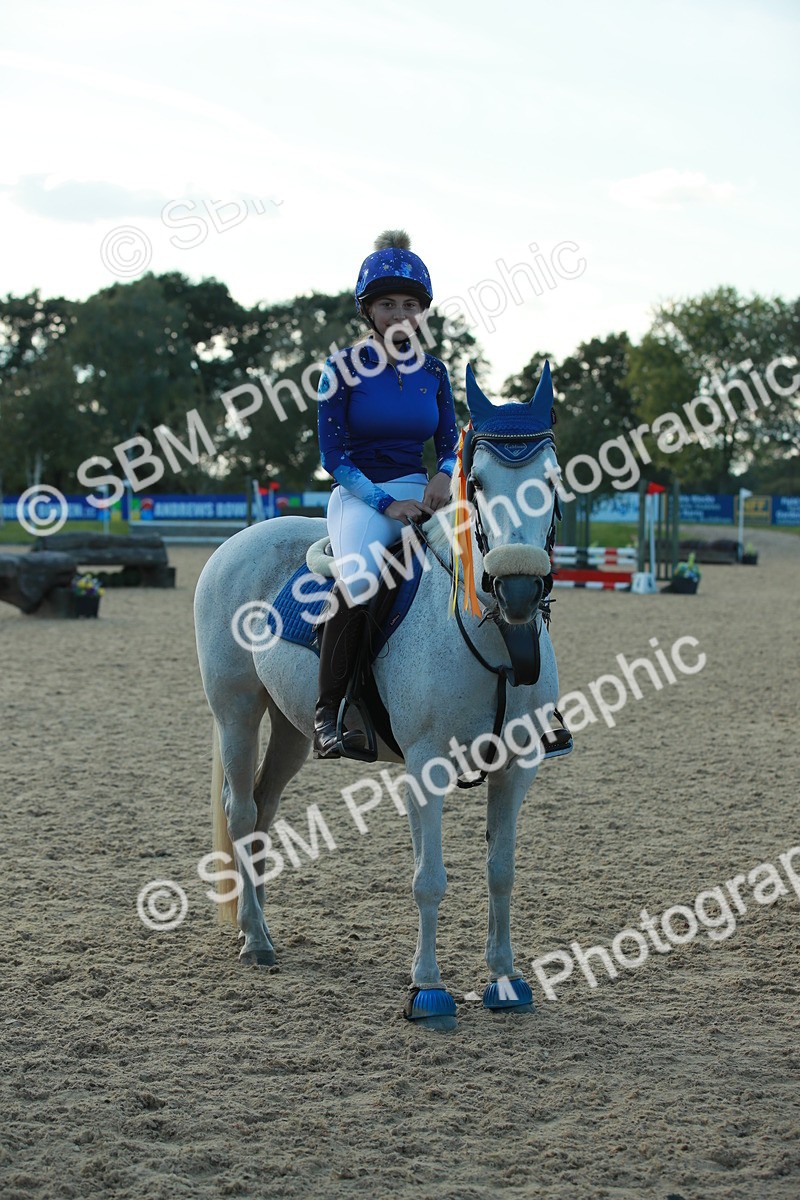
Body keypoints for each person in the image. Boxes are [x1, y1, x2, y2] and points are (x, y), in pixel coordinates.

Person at [313, 229, 458, 758]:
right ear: (368, 311)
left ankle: (530, 700)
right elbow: (334, 460)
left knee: (498, 552)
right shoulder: (340, 371)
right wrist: (385, 503)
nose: (401, 313)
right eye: (388, 303)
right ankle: (329, 714)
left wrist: (443, 474)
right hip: (361, 497)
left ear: (422, 312)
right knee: (361, 579)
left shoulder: (435, 372)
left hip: (425, 493)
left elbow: (449, 441)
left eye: (411, 304)